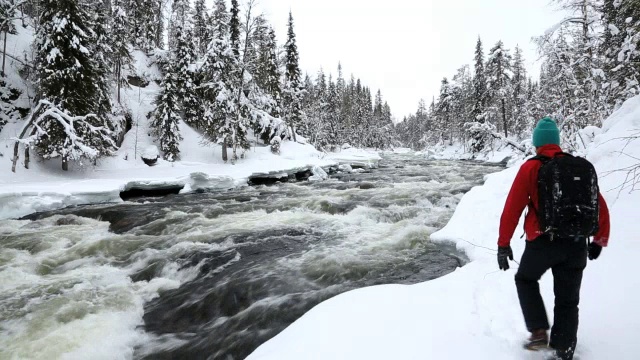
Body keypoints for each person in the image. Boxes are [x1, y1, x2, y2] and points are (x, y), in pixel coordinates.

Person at [496, 118, 610, 360]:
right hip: (577, 243)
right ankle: (565, 348)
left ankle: (538, 332)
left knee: (526, 279)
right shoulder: (574, 167)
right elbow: (600, 205)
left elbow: (512, 209)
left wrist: (503, 244)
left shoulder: (530, 167)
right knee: (568, 299)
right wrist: (599, 240)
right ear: (556, 142)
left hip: (542, 242)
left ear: (537, 143)